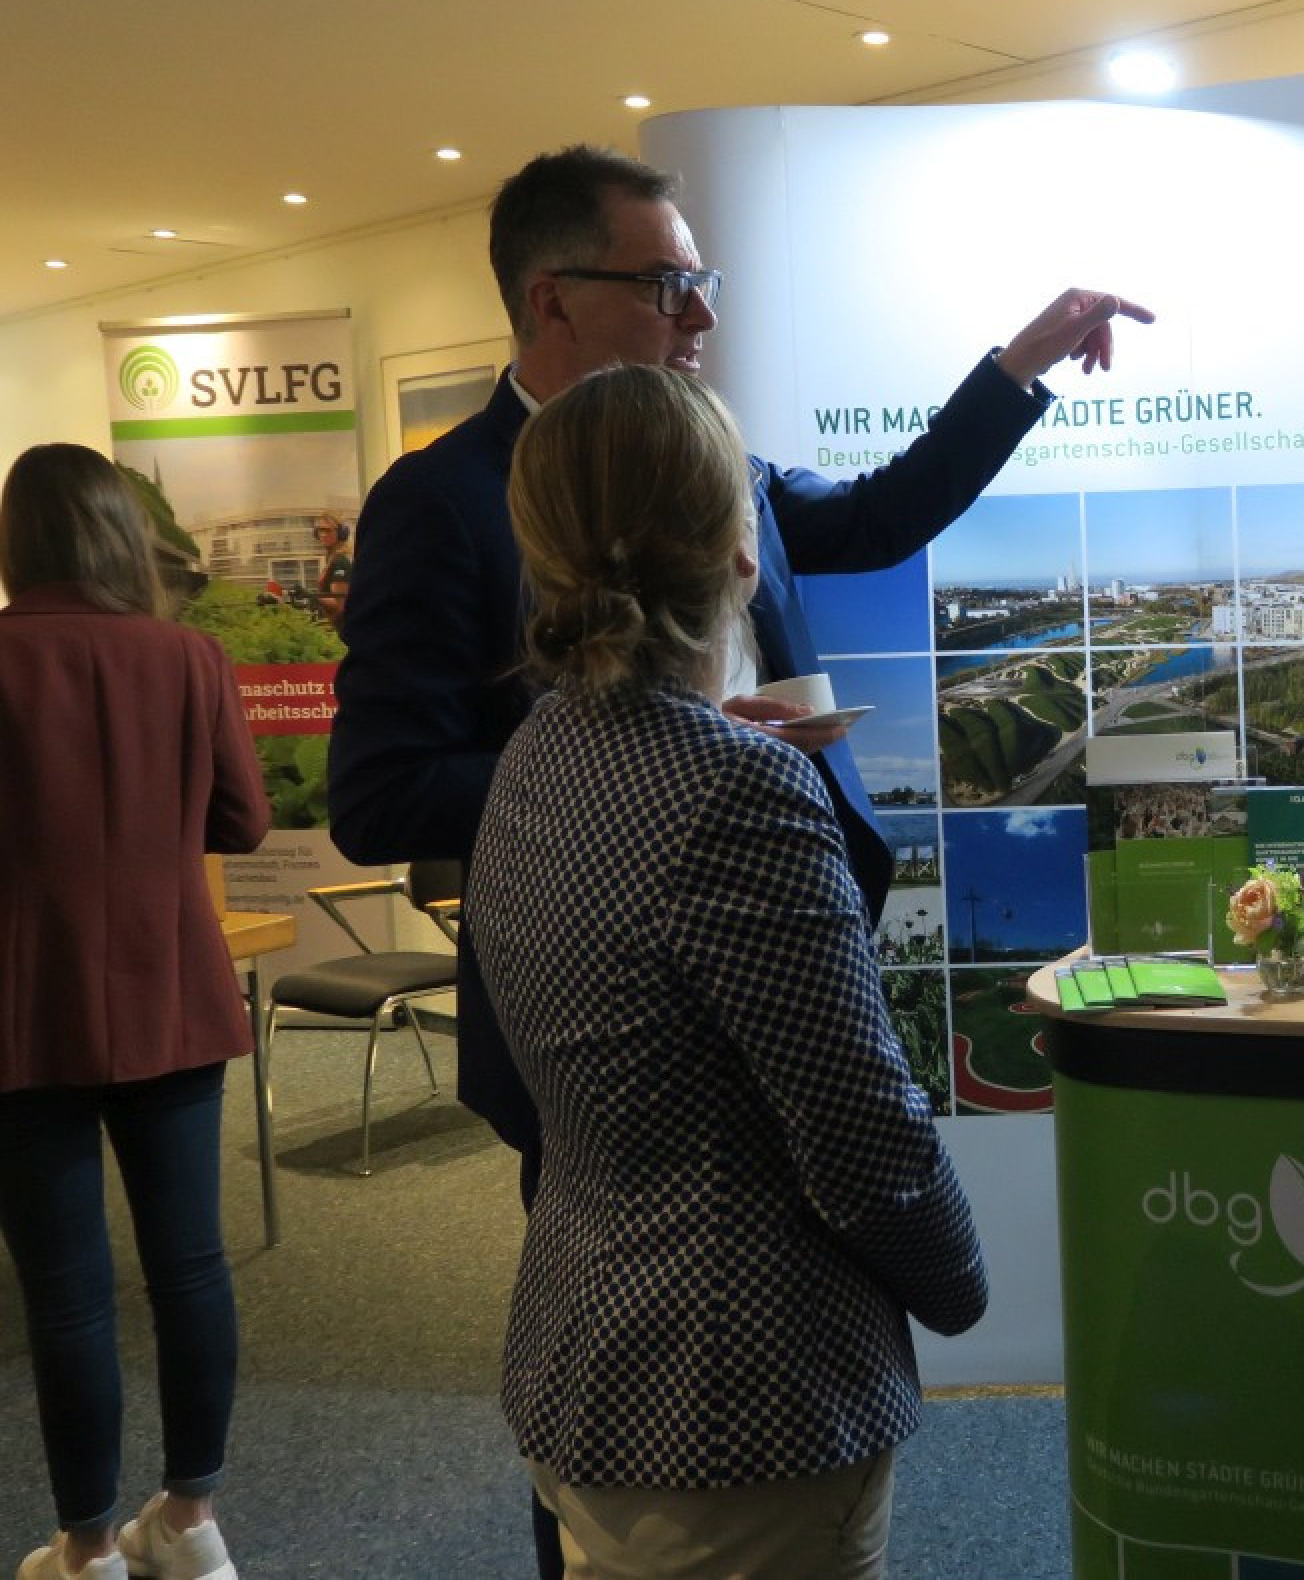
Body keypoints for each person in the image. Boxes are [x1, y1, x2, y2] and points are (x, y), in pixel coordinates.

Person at [326, 142, 1144, 1573]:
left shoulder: (720, 456)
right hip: (602, 1027)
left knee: (699, 1337)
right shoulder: (445, 501)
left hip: (775, 936)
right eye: (667, 284)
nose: (701, 313)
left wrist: (1016, 369)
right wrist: (661, 757)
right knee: (638, 1334)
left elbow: (878, 515)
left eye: (702, 281)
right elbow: (379, 790)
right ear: (550, 298)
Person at [470, 362, 987, 1577]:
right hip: (741, 1401)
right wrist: (962, 1285)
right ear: (742, 555)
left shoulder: (538, 747)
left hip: (582, 1360)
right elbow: (863, 1138)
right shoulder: (737, 786)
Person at [0, 445, 271, 1580]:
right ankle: (192, 1522)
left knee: (67, 1296)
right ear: (121, 533)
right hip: (175, 991)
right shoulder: (190, 657)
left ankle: (88, 1550)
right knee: (192, 1267)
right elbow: (243, 823)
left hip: (24, 1009)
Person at [308, 512, 351, 630]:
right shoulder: (331, 560)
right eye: (319, 530)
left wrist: (311, 597)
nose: (323, 534)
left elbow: (339, 606)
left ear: (341, 533)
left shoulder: (340, 562)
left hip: (337, 631)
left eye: (327, 530)